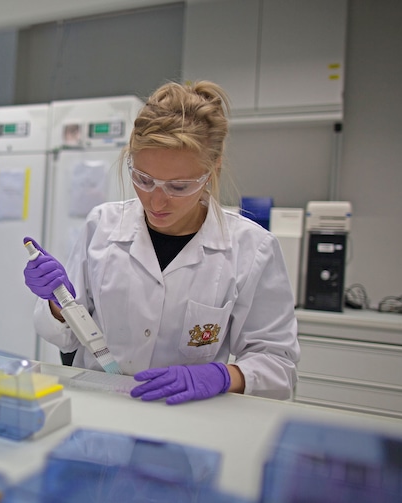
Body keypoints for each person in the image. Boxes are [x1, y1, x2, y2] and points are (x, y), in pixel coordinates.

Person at [24, 80, 300, 405]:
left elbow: (279, 366)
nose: (156, 202)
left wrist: (226, 376)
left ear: (213, 169)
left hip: (188, 419)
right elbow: (66, 339)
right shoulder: (101, 226)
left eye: (179, 186)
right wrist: (58, 304)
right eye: (143, 179)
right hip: (99, 410)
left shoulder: (253, 249)